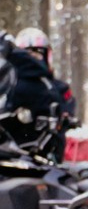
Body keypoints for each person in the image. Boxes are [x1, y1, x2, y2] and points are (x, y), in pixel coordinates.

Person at [0, 27, 72, 160]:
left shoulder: (57, 87)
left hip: (43, 153)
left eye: (37, 53)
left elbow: (68, 108)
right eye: (27, 53)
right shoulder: (9, 82)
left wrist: (65, 117)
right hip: (12, 151)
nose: (32, 57)